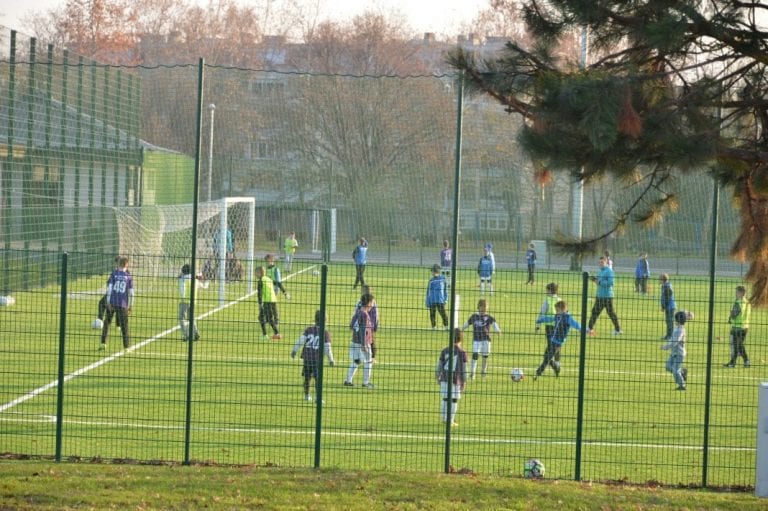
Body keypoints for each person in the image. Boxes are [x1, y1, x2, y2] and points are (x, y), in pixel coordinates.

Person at [291, 310, 335, 402]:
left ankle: (307, 396)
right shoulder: (325, 333)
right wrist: (331, 359)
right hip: (317, 359)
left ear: (315, 320)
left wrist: (294, 350)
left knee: (307, 378)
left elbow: (300, 340)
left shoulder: (309, 330)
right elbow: (327, 348)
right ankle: (318, 398)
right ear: (326, 321)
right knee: (318, 379)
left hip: (307, 358)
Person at [534, 300, 583, 380]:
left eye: (557, 310)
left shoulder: (567, 318)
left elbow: (575, 324)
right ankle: (556, 368)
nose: (556, 312)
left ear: (563, 309)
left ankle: (538, 372)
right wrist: (541, 319)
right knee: (546, 357)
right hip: (552, 340)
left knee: (547, 359)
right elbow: (550, 318)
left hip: (558, 343)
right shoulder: (557, 316)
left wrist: (583, 329)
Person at [99, 256, 133, 350]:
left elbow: (109, 289)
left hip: (112, 302)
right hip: (122, 304)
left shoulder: (114, 274)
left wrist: (108, 301)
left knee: (107, 323)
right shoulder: (128, 276)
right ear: (126, 264)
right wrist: (130, 305)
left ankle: (103, 343)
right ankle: (126, 347)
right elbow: (131, 293)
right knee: (125, 326)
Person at [461, 298, 501, 380]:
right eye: (482, 307)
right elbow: (467, 323)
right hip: (476, 340)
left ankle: (483, 372)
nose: (484, 309)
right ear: (478, 307)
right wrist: (462, 329)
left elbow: (494, 324)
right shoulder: (474, 316)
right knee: (475, 355)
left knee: (485, 357)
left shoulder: (489, 317)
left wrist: (498, 330)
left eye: (485, 307)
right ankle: (473, 373)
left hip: (486, 340)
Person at [435, 328, 467, 427]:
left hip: (444, 377)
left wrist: (437, 376)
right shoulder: (462, 353)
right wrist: (464, 382)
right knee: (454, 399)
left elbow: (439, 365)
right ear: (461, 339)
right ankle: (451, 420)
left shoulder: (445, 350)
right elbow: (464, 370)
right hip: (455, 379)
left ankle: (444, 418)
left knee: (445, 398)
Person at [344, 293, 375, 388]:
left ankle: (348, 380)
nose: (373, 305)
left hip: (354, 341)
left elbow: (351, 325)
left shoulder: (357, 312)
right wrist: (363, 344)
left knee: (356, 361)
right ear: (369, 303)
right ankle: (365, 382)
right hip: (363, 342)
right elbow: (362, 329)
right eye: (372, 303)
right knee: (368, 361)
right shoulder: (365, 315)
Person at [587, 255, 622, 336]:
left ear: (606, 262)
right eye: (599, 262)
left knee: (611, 313)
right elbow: (599, 281)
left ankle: (618, 330)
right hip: (600, 295)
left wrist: (599, 282)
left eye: (602, 262)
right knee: (595, 312)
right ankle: (590, 328)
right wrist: (593, 279)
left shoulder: (609, 271)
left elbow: (611, 283)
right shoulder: (600, 271)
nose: (600, 264)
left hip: (607, 296)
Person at [178, 263, 209, 342]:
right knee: (191, 318)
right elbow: (204, 287)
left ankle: (186, 335)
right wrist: (207, 280)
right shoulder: (195, 280)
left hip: (184, 301)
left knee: (182, 319)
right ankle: (196, 334)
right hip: (193, 302)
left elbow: (182, 291)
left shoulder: (183, 280)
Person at [661, 310, 689, 391]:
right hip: (673, 353)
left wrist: (665, 347)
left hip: (679, 354)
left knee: (675, 371)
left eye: (675, 319)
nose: (674, 320)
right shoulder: (676, 328)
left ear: (678, 320)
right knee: (668, 367)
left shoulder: (681, 330)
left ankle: (682, 385)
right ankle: (683, 372)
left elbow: (675, 342)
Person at [724, 285, 751, 368]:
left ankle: (738, 362)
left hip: (737, 327)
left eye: (737, 292)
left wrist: (731, 315)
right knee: (739, 345)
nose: (736, 293)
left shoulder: (738, 302)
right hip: (745, 327)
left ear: (742, 293)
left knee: (736, 346)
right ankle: (737, 362)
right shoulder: (747, 302)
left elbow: (735, 314)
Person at [535, 282, 560, 365]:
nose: (546, 292)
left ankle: (550, 361)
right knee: (557, 345)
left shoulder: (547, 301)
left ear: (550, 291)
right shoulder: (560, 300)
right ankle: (556, 362)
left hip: (550, 327)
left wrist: (538, 326)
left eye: (547, 290)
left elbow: (541, 313)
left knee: (551, 346)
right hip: (559, 327)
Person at [354, 285, 380, 363]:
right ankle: (362, 357)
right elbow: (356, 312)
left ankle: (372, 357)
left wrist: (375, 324)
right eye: (365, 291)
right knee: (362, 340)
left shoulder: (372, 301)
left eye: (367, 291)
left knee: (371, 341)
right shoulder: (360, 301)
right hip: (362, 324)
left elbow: (375, 314)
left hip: (369, 325)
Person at [256, 266, 281, 341]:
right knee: (266, 318)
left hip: (267, 301)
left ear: (259, 273)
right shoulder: (268, 278)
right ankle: (274, 334)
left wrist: (260, 304)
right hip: (273, 300)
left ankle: (269, 335)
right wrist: (284, 292)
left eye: (256, 273)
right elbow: (278, 283)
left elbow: (259, 294)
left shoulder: (260, 281)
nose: (255, 274)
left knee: (266, 318)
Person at [97, 256, 121, 329]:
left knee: (117, 307)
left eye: (118, 262)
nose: (116, 264)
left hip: (118, 294)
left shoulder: (122, 272)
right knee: (101, 303)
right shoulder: (115, 271)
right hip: (112, 293)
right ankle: (100, 321)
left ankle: (118, 325)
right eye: (116, 262)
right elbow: (109, 283)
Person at [426, 264, 449, 330]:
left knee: (443, 314)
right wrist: (427, 301)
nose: (432, 273)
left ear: (436, 271)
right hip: (432, 300)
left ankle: (446, 326)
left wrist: (446, 299)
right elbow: (428, 292)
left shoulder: (443, 279)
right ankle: (433, 327)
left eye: (432, 271)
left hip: (440, 300)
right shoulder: (431, 281)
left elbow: (445, 290)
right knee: (432, 314)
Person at [659, 273, 676, 341]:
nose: (659, 280)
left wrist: (664, 306)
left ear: (663, 279)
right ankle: (668, 335)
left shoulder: (667, 286)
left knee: (670, 322)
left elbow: (667, 297)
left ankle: (671, 336)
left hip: (670, 307)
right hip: (667, 306)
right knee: (667, 321)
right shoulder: (664, 286)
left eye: (660, 279)